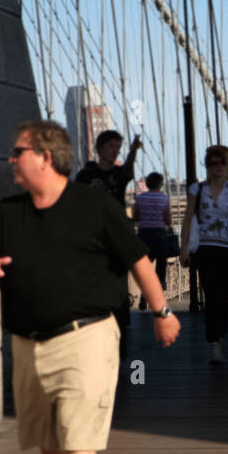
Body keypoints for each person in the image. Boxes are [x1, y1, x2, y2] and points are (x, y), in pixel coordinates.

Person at [0, 120, 180, 454]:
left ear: (44, 156)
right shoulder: (4, 213)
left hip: (88, 337)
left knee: (79, 438)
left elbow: (138, 260)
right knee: (47, 441)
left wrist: (162, 311)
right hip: (28, 343)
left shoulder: (94, 206)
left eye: (17, 151)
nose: (10, 160)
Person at [179, 145, 228, 364]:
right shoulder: (197, 190)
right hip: (205, 249)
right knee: (210, 294)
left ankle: (219, 338)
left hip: (226, 249)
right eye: (212, 164)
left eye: (220, 164)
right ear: (208, 167)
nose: (217, 168)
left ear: (225, 167)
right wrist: (184, 248)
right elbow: (188, 219)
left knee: (222, 296)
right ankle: (214, 343)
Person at [75, 129, 143, 332]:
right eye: (111, 146)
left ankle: (120, 333)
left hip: (116, 240)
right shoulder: (85, 176)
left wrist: (133, 151)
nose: (115, 151)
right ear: (99, 149)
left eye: (118, 147)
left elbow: (129, 170)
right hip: (94, 240)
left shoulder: (118, 174)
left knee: (118, 286)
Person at [134, 172, 171, 309]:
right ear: (160, 184)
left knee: (145, 269)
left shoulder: (141, 198)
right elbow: (168, 219)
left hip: (144, 235)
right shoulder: (164, 198)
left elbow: (136, 217)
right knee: (161, 268)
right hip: (160, 236)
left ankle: (144, 295)